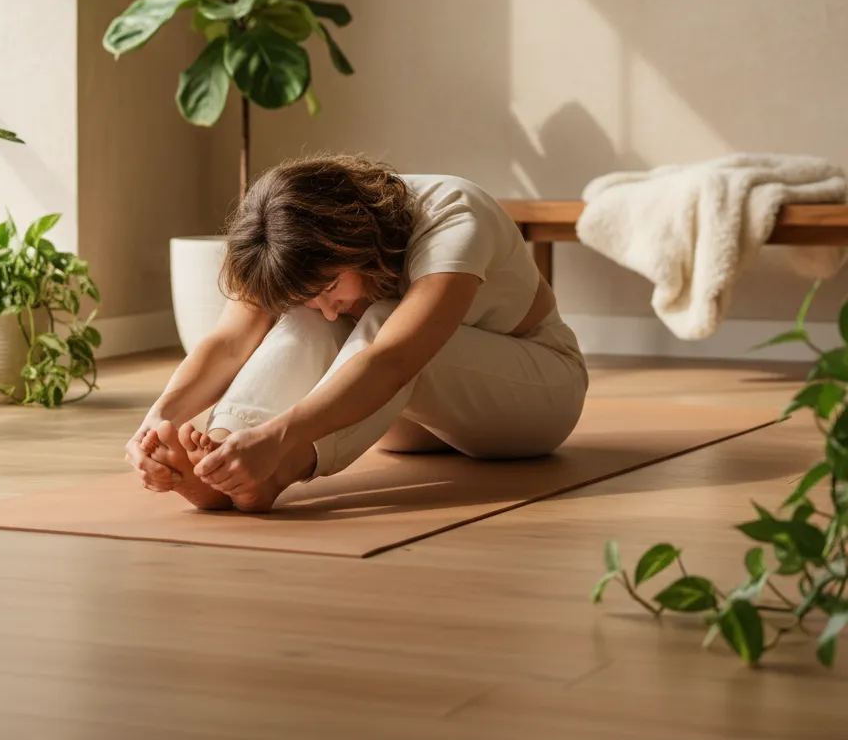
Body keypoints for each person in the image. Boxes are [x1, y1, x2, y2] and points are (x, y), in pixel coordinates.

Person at [124, 154, 588, 513]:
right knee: (306, 315)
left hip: (537, 393)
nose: (328, 307)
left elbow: (393, 360)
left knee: (385, 321)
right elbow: (228, 344)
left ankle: (269, 473)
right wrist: (155, 424)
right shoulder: (279, 242)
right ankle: (224, 460)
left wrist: (279, 437)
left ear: (355, 239)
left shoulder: (453, 215)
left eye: (329, 285)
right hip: (412, 423)